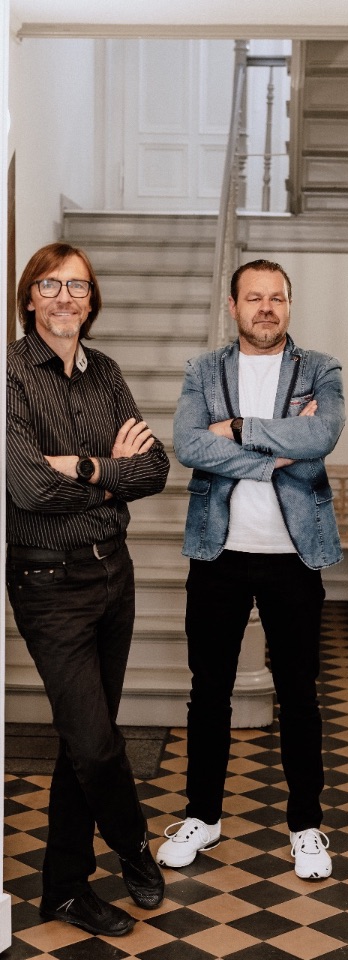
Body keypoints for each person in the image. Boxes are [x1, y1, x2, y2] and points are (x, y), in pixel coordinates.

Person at [157, 258, 345, 880]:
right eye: (254, 297)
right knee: (209, 692)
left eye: (277, 298)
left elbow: (322, 438)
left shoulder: (321, 368)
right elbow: (189, 444)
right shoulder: (202, 369)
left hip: (294, 557)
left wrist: (236, 429)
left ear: (289, 305)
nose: (266, 307)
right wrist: (275, 454)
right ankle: (202, 816)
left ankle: (306, 824)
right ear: (233, 305)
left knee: (299, 693)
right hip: (219, 554)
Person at [6, 243, 170, 937]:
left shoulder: (105, 372)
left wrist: (78, 465)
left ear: (92, 298)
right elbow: (26, 487)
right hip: (49, 580)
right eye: (51, 285)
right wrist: (110, 472)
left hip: (113, 575)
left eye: (77, 285)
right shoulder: (11, 374)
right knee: (97, 744)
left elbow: (155, 468)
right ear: (30, 297)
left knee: (84, 740)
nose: (65, 297)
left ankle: (65, 889)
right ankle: (133, 846)